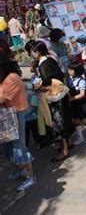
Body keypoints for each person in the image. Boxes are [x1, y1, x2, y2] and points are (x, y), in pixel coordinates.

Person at [30, 41, 72, 162]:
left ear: (37, 52)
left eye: (32, 52)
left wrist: (39, 88)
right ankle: (68, 144)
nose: (31, 54)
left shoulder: (43, 66)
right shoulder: (50, 59)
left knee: (59, 124)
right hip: (62, 93)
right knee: (65, 119)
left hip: (55, 98)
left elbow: (49, 85)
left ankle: (64, 151)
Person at [0, 50, 36, 191]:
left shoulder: (11, 78)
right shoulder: (6, 78)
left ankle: (31, 177)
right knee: (9, 146)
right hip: (7, 114)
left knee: (19, 146)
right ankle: (21, 170)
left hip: (15, 114)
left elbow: (2, 98)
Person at [67, 62, 86, 145]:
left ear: (76, 71)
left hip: (82, 103)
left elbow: (82, 94)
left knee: (84, 120)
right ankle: (80, 137)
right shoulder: (70, 79)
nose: (68, 71)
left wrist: (71, 98)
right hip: (74, 104)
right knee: (76, 120)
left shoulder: (81, 81)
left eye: (70, 70)